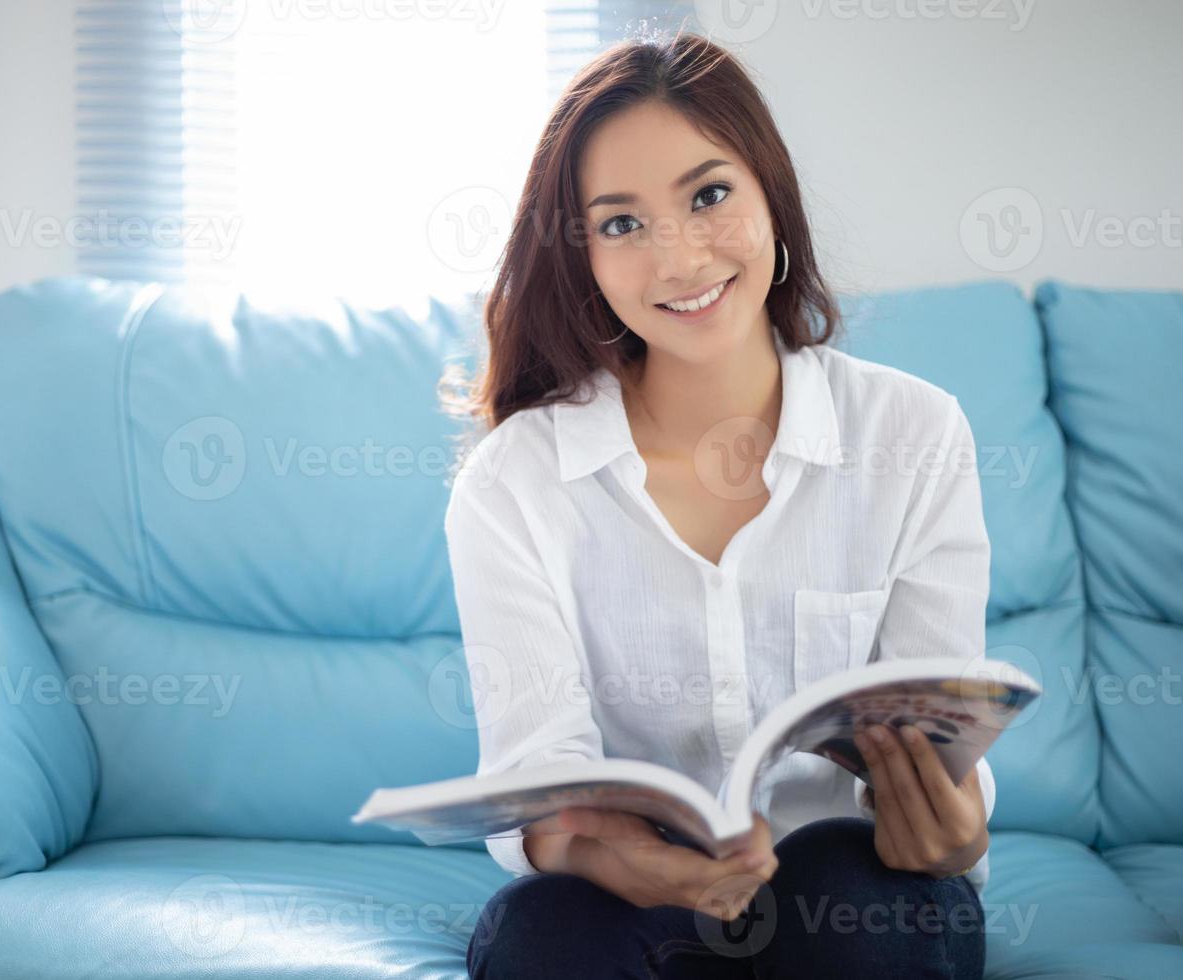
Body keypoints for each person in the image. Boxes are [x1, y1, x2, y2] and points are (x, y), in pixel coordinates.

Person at [439, 27, 993, 980]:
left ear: (769, 192)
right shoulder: (514, 483)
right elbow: (535, 784)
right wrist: (592, 847)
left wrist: (957, 830)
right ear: (584, 261)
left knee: (847, 891)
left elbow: (939, 751)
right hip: (630, 904)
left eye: (708, 196)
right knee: (544, 930)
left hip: (853, 897)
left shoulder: (915, 434)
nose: (679, 256)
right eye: (620, 224)